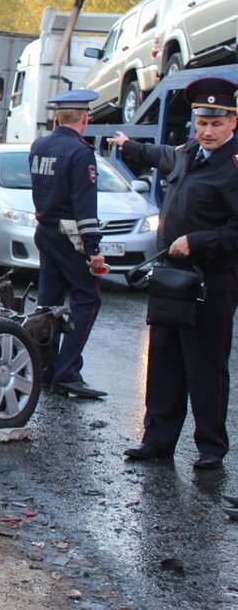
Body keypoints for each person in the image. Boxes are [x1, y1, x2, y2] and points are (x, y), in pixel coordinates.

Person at [108, 76, 238, 470]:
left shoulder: (233, 168)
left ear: (234, 122)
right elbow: (160, 154)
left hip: (211, 280)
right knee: (164, 360)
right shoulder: (189, 152)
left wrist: (197, 241)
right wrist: (128, 145)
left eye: (217, 123)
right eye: (202, 123)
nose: (208, 131)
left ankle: (211, 447)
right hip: (171, 276)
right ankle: (158, 440)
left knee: (204, 365)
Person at [29, 89, 108, 399]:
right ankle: (67, 372)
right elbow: (84, 208)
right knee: (87, 299)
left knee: (47, 302)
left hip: (45, 230)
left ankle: (44, 367)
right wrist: (93, 250)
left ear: (56, 117)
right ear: (85, 119)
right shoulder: (80, 153)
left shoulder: (39, 146)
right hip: (68, 236)